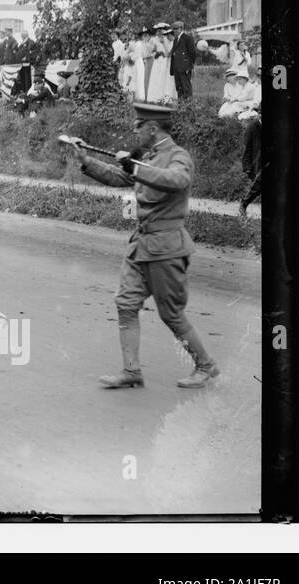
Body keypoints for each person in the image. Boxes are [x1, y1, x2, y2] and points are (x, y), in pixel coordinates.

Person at [67, 101, 219, 389]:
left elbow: (177, 180)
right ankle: (131, 371)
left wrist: (137, 167)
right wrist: (86, 159)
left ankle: (206, 365)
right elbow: (119, 176)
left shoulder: (178, 156)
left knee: (171, 314)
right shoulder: (147, 157)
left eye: (138, 126)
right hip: (142, 245)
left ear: (152, 128)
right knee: (125, 303)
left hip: (167, 247)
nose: (135, 130)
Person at [169, 20, 198, 100]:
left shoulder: (187, 38)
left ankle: (188, 108)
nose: (174, 31)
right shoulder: (175, 40)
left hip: (185, 67)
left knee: (186, 88)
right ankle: (181, 107)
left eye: (176, 29)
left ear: (181, 29)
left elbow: (193, 53)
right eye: (173, 29)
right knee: (179, 88)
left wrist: (190, 66)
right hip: (176, 68)